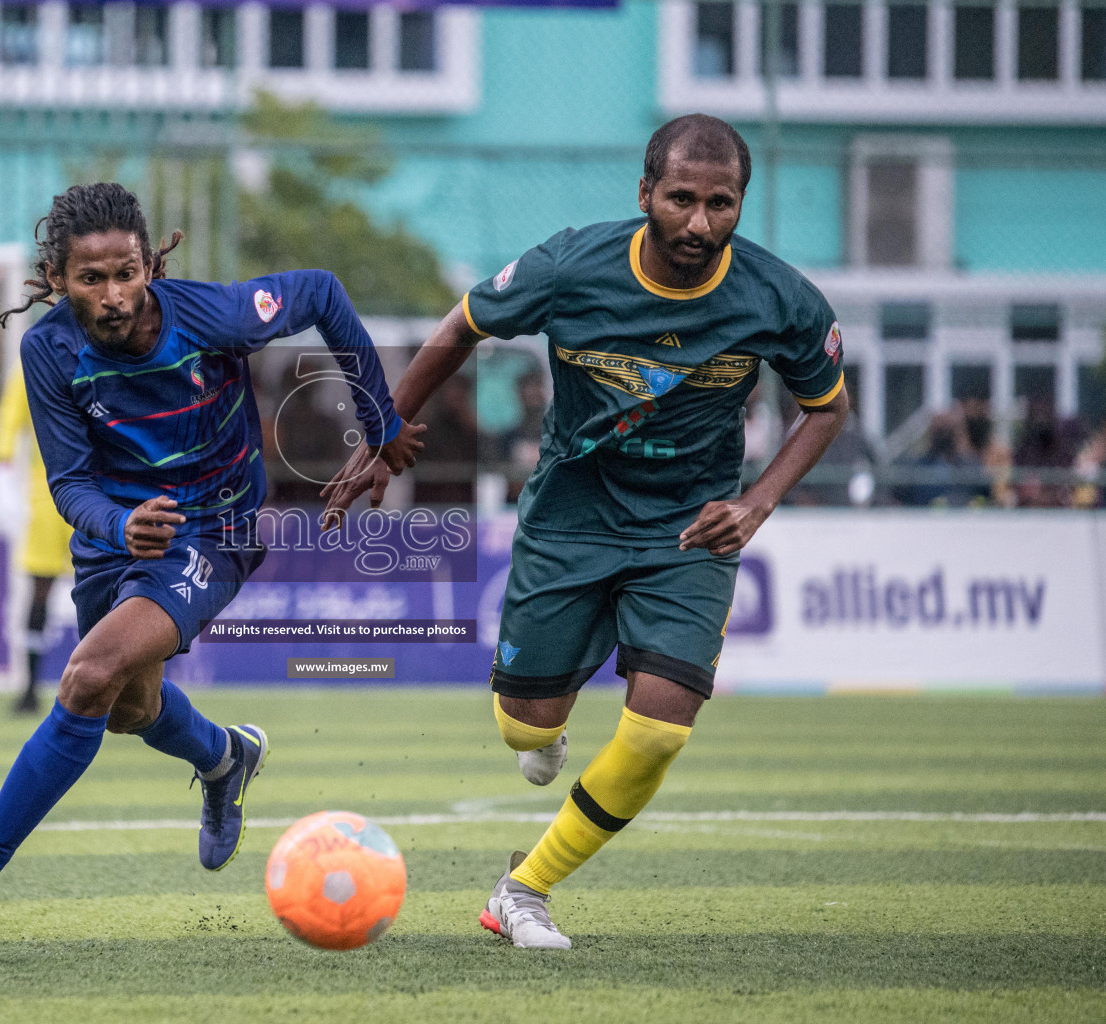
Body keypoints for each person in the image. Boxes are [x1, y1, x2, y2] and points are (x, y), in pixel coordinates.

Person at [322, 114, 849, 949]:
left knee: (659, 729)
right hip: (570, 517)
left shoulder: (778, 297)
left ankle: (522, 889)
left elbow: (827, 409)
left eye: (722, 203)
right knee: (524, 729)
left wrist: (756, 503)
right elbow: (461, 326)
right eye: (681, 199)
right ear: (646, 193)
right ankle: (546, 727)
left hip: (690, 527)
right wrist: (385, 430)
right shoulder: (569, 267)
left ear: (741, 203)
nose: (700, 223)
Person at [0, 182, 422, 943]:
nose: (113, 295)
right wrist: (121, 525)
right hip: (119, 540)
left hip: (216, 530)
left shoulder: (209, 316)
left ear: (149, 264)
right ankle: (224, 757)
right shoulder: (48, 351)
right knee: (129, 711)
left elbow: (320, 292)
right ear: (58, 281)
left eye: (126, 273)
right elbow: (71, 484)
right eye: (91, 279)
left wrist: (379, 425)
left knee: (85, 676)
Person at [0, 359, 76, 714]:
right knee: (41, 588)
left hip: (88, 491)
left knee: (107, 584)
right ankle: (30, 687)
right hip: (50, 492)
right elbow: (9, 423)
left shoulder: (98, 354)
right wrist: (3, 472)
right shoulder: (32, 362)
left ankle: (113, 683)